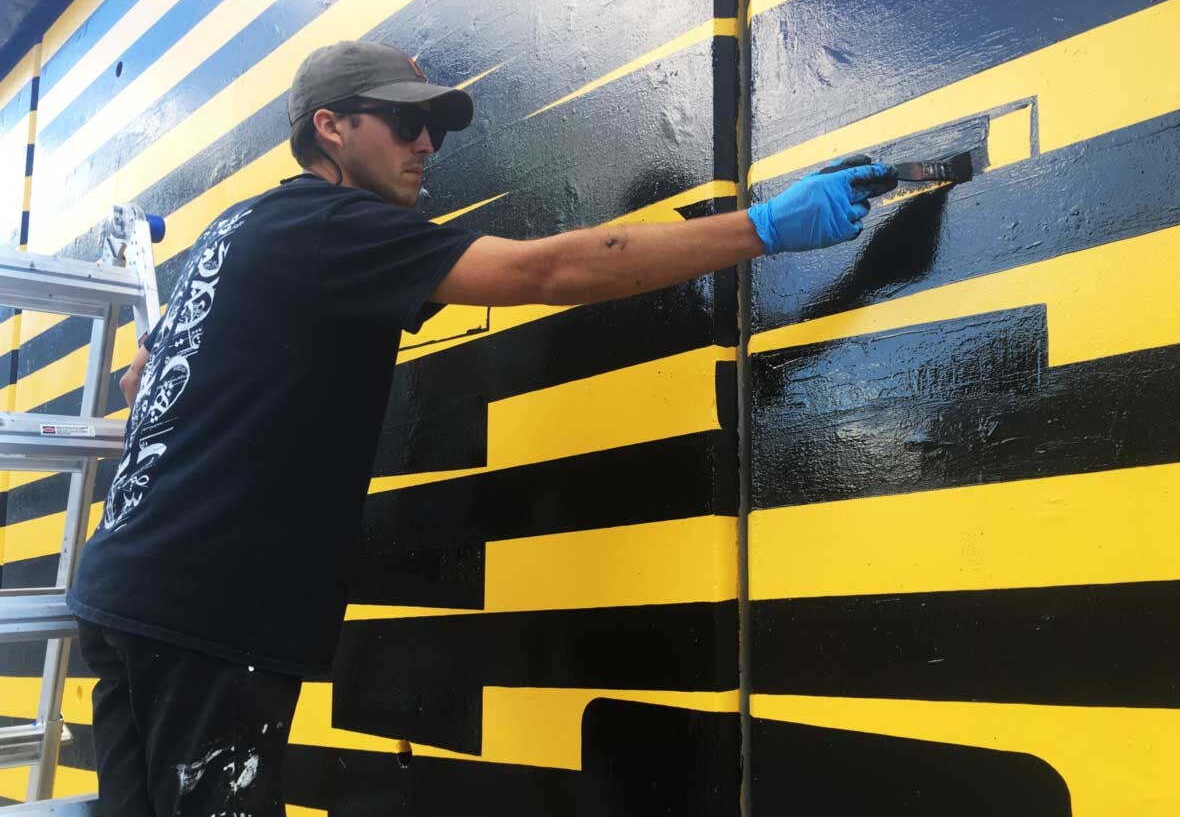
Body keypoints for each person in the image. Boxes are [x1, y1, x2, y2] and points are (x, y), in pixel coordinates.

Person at [65, 40, 897, 816]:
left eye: (434, 126)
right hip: (208, 609)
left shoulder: (240, 230)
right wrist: (763, 228)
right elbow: (549, 269)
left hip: (124, 590)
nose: (426, 142)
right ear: (330, 127)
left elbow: (143, 379)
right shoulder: (331, 227)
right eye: (403, 121)